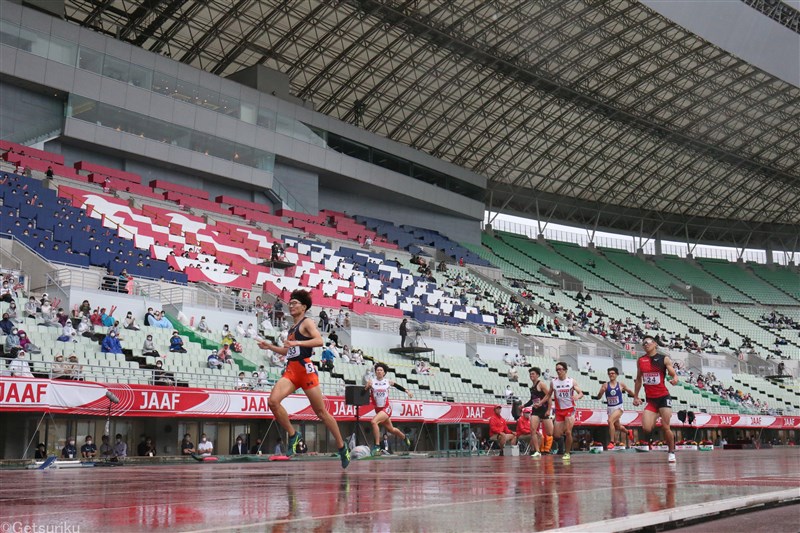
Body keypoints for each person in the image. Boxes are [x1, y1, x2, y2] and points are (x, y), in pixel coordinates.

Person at [257, 289, 350, 468]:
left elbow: (319, 341)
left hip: (306, 370)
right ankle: (293, 435)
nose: (291, 306)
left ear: (304, 307)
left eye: (295, 303)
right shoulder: (292, 328)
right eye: (290, 303)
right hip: (292, 370)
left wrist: (298, 342)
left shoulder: (307, 322)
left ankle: (341, 446)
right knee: (273, 402)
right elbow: (287, 351)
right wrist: (269, 346)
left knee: (321, 413)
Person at [633, 335, 679, 463]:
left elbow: (672, 372)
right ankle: (655, 419)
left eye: (647, 342)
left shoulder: (663, 359)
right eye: (643, 343)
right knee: (646, 428)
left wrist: (675, 378)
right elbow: (638, 379)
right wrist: (636, 396)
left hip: (663, 398)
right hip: (651, 400)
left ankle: (671, 451)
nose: (645, 344)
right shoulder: (641, 360)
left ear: (655, 344)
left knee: (666, 427)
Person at [536, 362, 584, 461]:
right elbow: (548, 395)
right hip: (559, 411)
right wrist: (540, 403)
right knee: (556, 435)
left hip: (570, 409)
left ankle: (566, 453)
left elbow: (581, 393)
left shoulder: (571, 381)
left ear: (565, 370)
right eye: (557, 369)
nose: (558, 371)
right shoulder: (553, 382)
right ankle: (565, 445)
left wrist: (577, 396)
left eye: (560, 369)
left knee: (568, 432)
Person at [365, 363, 414, 455]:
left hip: (386, 408)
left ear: (384, 373)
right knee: (391, 429)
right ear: (375, 372)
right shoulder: (371, 382)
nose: (379, 371)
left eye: (381, 370)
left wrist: (407, 391)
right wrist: (366, 387)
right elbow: (363, 394)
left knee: (373, 422)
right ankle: (404, 437)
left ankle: (377, 446)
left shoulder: (387, 381)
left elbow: (397, 386)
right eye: (377, 370)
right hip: (378, 409)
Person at [594, 367, 635, 449]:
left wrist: (636, 397)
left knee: (610, 421)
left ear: (616, 375)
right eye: (609, 373)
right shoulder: (605, 385)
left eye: (612, 373)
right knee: (618, 426)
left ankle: (612, 442)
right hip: (610, 408)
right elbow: (599, 395)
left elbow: (629, 391)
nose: (611, 375)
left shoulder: (621, 385)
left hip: (619, 407)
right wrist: (598, 395)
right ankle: (628, 432)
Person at [523, 367, 552, 457]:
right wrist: (523, 406)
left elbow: (549, 396)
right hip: (535, 411)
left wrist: (548, 410)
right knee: (533, 430)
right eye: (530, 374)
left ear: (538, 375)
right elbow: (532, 400)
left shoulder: (541, 384)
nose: (531, 375)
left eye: (533, 374)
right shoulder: (532, 387)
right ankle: (537, 451)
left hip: (544, 410)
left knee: (550, 433)